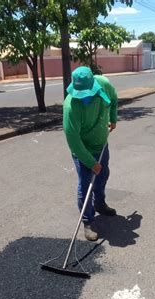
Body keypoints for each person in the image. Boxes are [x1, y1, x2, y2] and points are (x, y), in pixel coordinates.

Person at [63, 66, 118, 241]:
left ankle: (100, 203)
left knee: (103, 175)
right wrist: (90, 162)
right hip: (83, 148)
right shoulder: (71, 107)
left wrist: (113, 118)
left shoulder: (103, 84)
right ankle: (87, 220)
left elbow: (114, 99)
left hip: (101, 143)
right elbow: (74, 142)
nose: (83, 96)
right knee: (86, 183)